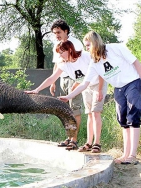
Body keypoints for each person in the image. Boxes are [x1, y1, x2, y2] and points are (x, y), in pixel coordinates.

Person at [59, 31, 141, 164]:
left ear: (95, 42)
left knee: (133, 118)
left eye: (87, 45)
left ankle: (132, 156)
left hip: (132, 82)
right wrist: (69, 96)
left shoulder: (116, 48)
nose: (86, 49)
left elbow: (136, 63)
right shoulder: (94, 62)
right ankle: (125, 155)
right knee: (123, 120)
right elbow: (85, 83)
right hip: (118, 88)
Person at [25, 40, 107, 151]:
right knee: (90, 114)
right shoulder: (64, 64)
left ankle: (97, 143)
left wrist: (100, 89)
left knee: (95, 112)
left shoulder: (85, 56)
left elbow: (100, 69)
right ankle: (88, 143)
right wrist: (37, 90)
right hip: (85, 86)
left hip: (98, 84)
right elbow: (52, 78)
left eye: (61, 52)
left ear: (69, 50)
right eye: (58, 53)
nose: (59, 55)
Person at [48, 19, 84, 149]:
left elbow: (81, 64)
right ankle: (69, 138)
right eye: (54, 33)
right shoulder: (56, 45)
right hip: (62, 78)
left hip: (75, 78)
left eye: (58, 32)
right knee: (67, 111)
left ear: (66, 31)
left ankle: (74, 140)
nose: (56, 35)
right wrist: (53, 83)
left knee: (75, 110)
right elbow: (57, 64)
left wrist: (77, 82)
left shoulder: (75, 43)